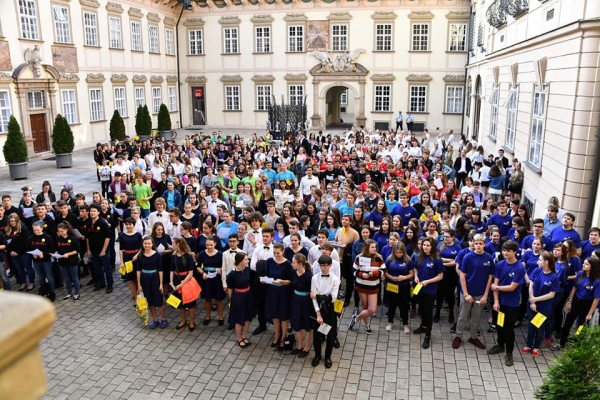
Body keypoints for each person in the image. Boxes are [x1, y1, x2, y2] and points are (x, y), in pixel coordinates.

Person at [487, 240, 525, 366]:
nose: (505, 253)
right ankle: (500, 345)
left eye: (508, 251)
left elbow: (512, 287)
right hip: (500, 302)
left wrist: (496, 288)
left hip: (511, 304)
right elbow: (495, 283)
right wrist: (496, 301)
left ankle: (509, 352)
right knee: (499, 325)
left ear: (515, 252)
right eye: (504, 250)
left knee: (509, 329)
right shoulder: (500, 264)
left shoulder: (519, 268)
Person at [453, 234, 494, 349]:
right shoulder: (468, 257)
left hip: (480, 294)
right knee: (463, 315)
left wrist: (485, 295)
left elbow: (490, 277)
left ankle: (473, 337)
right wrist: (466, 294)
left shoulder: (489, 258)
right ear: (473, 244)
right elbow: (462, 276)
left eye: (481, 243)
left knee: (476, 317)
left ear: (484, 244)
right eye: (476, 243)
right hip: (467, 292)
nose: (478, 246)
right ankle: (458, 336)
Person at [520, 251, 560, 357]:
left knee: (539, 327)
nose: (538, 262)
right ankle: (528, 345)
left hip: (543, 307)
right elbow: (531, 285)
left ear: (546, 262)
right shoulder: (537, 270)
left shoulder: (554, 277)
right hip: (532, 304)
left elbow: (551, 295)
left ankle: (536, 347)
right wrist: (531, 299)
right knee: (531, 326)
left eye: (540, 260)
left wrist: (535, 300)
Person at [558, 257, 600, 348]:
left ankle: (577, 343)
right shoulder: (580, 274)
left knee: (581, 326)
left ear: (592, 266)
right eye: (584, 263)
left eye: (586, 264)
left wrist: (590, 313)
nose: (583, 265)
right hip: (576, 301)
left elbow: (596, 299)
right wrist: (570, 301)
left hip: (587, 304)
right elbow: (574, 288)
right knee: (568, 322)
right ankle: (562, 342)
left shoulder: (597, 281)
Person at [412, 237, 444, 349]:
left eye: (428, 245)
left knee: (428, 311)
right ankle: (423, 326)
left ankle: (428, 335)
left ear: (432, 246)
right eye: (424, 245)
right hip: (419, 288)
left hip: (430, 290)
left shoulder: (437, 259)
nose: (425, 247)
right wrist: (416, 277)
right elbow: (415, 269)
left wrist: (427, 281)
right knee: (421, 309)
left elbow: (440, 276)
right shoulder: (418, 256)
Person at [348, 239, 385, 334]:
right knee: (364, 307)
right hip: (361, 285)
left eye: (375, 247)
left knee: (372, 309)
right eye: (372, 247)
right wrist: (361, 275)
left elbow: (383, 271)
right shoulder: (359, 257)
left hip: (373, 286)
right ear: (366, 248)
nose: (374, 249)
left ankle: (355, 319)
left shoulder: (379, 258)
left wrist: (374, 273)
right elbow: (353, 271)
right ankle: (367, 325)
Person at [310, 255, 340, 369]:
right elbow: (313, 299)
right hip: (318, 309)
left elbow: (332, 298)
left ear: (330, 265)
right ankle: (317, 355)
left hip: (330, 310)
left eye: (325, 265)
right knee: (317, 336)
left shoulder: (335, 279)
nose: (323, 268)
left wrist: (317, 296)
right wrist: (318, 314)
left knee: (331, 336)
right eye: (321, 265)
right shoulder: (314, 278)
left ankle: (328, 357)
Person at [264, 242, 294, 350]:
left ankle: (283, 337)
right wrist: (265, 281)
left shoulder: (288, 264)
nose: (276, 255)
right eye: (274, 253)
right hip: (272, 291)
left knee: (284, 316)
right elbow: (267, 275)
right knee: (275, 315)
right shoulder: (269, 261)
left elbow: (291, 281)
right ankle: (276, 335)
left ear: (283, 252)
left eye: (278, 253)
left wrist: (282, 281)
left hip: (284, 292)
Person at [137, 236, 168, 329]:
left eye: (149, 243)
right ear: (142, 244)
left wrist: (161, 284)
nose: (147, 245)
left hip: (155, 278)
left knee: (158, 301)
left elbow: (160, 270)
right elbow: (138, 271)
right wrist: (139, 284)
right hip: (145, 279)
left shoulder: (157, 255)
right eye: (145, 243)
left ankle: (164, 319)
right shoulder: (140, 255)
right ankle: (155, 320)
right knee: (150, 301)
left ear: (152, 244)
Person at [384, 242, 414, 333]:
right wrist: (391, 277)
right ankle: (390, 323)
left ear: (403, 252)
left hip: (404, 286)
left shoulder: (408, 260)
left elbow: (411, 274)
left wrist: (403, 278)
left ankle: (405, 324)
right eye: (396, 252)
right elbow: (385, 272)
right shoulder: (389, 259)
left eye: (400, 253)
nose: (398, 254)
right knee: (391, 304)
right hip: (392, 285)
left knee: (403, 305)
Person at [226, 251, 255, 348]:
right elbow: (230, 289)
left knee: (247, 317)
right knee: (239, 319)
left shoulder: (247, 269)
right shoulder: (232, 274)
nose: (248, 261)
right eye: (246, 259)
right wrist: (232, 300)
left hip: (248, 295)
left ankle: (244, 335)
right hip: (238, 296)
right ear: (239, 261)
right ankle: (239, 338)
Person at [197, 236, 226, 325]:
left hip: (217, 278)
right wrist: (203, 273)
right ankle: (208, 316)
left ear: (215, 244)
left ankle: (220, 317)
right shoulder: (202, 254)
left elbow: (224, 266)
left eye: (211, 245)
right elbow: (198, 266)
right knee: (207, 298)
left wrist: (220, 269)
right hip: (207, 278)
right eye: (207, 245)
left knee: (219, 298)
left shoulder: (221, 254)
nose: (209, 247)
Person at [170, 237, 197, 331]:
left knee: (190, 303)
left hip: (186, 281)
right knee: (180, 303)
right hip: (177, 280)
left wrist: (181, 285)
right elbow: (172, 269)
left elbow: (190, 273)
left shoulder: (188, 256)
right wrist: (171, 282)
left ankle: (192, 321)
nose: (172, 245)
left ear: (178, 244)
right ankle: (183, 320)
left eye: (173, 243)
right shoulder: (174, 255)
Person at [290, 253, 314, 358]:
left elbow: (312, 291)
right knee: (297, 324)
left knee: (307, 325)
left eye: (294, 263)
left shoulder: (309, 277)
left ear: (300, 264)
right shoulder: (294, 273)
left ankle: (307, 347)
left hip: (306, 302)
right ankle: (299, 345)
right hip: (295, 301)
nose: (292, 264)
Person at [86, 204, 112, 293]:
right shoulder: (89, 223)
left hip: (103, 250)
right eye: (91, 211)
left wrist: (104, 250)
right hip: (93, 251)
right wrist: (88, 250)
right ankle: (101, 283)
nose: (92, 213)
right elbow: (87, 238)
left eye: (94, 211)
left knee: (106, 269)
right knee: (97, 268)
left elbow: (107, 237)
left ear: (98, 212)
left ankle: (110, 285)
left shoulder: (102, 223)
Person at [28, 221, 55, 301]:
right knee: (40, 277)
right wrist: (32, 254)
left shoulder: (47, 237)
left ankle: (51, 292)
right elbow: (28, 248)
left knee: (49, 277)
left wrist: (44, 254)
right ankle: (43, 291)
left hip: (46, 261)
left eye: (38, 230)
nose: (36, 232)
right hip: (36, 261)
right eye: (34, 230)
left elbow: (52, 249)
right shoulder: (31, 238)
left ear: (42, 228)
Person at [54, 222, 81, 301]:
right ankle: (69, 293)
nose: (60, 233)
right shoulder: (58, 239)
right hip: (62, 261)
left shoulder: (72, 238)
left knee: (74, 277)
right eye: (59, 231)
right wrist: (55, 253)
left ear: (66, 230)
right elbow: (56, 248)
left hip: (72, 261)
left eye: (62, 231)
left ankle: (77, 293)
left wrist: (68, 254)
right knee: (66, 278)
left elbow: (77, 250)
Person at [121, 218, 143, 302]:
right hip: (127, 258)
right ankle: (136, 298)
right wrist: (122, 262)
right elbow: (120, 249)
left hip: (137, 258)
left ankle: (139, 293)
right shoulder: (122, 235)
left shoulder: (138, 235)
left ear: (133, 225)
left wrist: (137, 255)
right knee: (130, 279)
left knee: (138, 278)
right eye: (127, 224)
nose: (128, 226)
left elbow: (141, 247)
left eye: (130, 224)